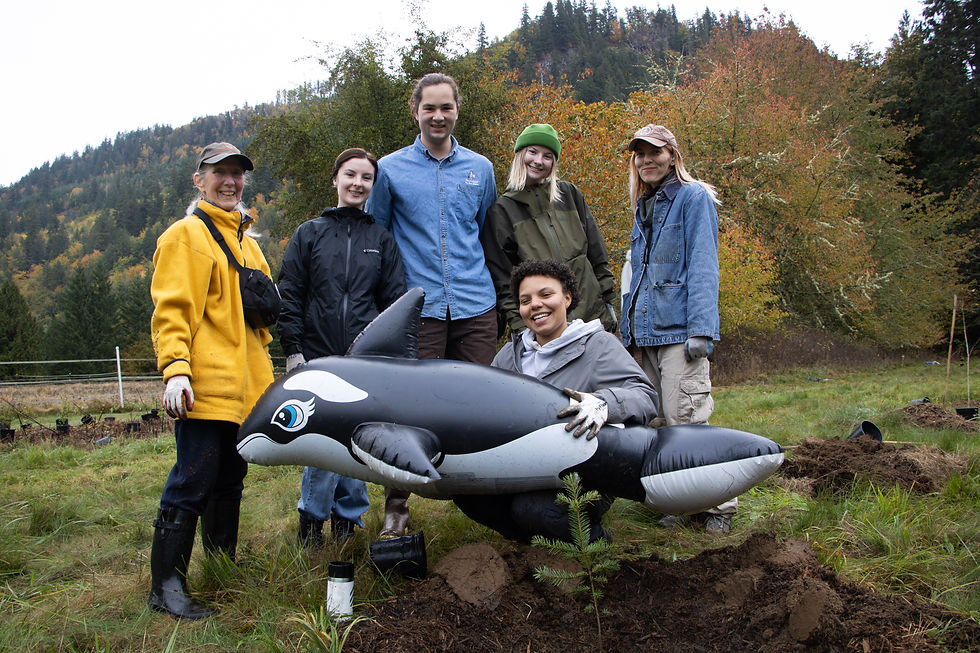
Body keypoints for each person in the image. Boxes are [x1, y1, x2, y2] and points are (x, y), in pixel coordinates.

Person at [366, 72, 498, 539]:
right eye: (430, 108)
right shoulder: (390, 169)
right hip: (417, 307)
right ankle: (397, 508)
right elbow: (377, 237)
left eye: (446, 107)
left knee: (483, 404)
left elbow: (484, 232)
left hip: (476, 304)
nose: (438, 116)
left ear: (457, 109)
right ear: (415, 111)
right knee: (406, 407)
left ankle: (490, 500)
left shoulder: (480, 168)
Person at [148, 142, 275, 619]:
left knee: (229, 482)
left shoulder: (249, 243)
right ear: (198, 180)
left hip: (244, 389)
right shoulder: (186, 236)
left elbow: (263, 318)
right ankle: (166, 588)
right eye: (219, 173)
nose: (230, 181)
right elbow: (172, 311)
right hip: (203, 387)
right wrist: (176, 370)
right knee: (192, 480)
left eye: (237, 174)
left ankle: (222, 569)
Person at [456, 259, 658, 543]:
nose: (535, 305)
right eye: (525, 300)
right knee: (471, 497)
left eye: (545, 295)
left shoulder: (598, 345)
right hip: (520, 468)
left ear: (567, 297)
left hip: (583, 472)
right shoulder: (510, 355)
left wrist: (604, 403)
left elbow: (645, 395)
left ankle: (596, 544)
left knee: (537, 510)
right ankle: (531, 546)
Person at [277, 148, 406, 549]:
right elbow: (290, 292)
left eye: (366, 178)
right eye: (350, 175)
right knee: (323, 441)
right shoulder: (309, 233)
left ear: (373, 185)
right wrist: (293, 348)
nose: (357, 184)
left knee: (358, 436)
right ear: (335, 179)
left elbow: (395, 301)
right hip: (317, 356)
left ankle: (348, 522)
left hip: (364, 360)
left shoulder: (380, 239)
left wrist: (389, 354)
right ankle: (312, 522)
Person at [618, 124, 733, 535]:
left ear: (673, 156)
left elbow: (704, 265)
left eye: (655, 152)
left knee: (689, 419)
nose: (647, 160)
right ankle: (682, 500)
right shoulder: (644, 205)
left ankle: (719, 504)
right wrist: (626, 333)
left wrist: (702, 330)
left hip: (680, 332)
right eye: (640, 154)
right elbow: (634, 275)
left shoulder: (694, 197)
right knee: (658, 423)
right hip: (644, 332)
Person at [483, 123, 619, 335]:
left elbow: (597, 253)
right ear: (520, 154)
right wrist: (520, 327)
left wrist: (609, 302)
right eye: (533, 152)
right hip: (543, 329)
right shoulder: (502, 210)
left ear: (554, 162)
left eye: (547, 156)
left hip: (592, 320)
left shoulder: (570, 194)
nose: (538, 161)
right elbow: (503, 279)